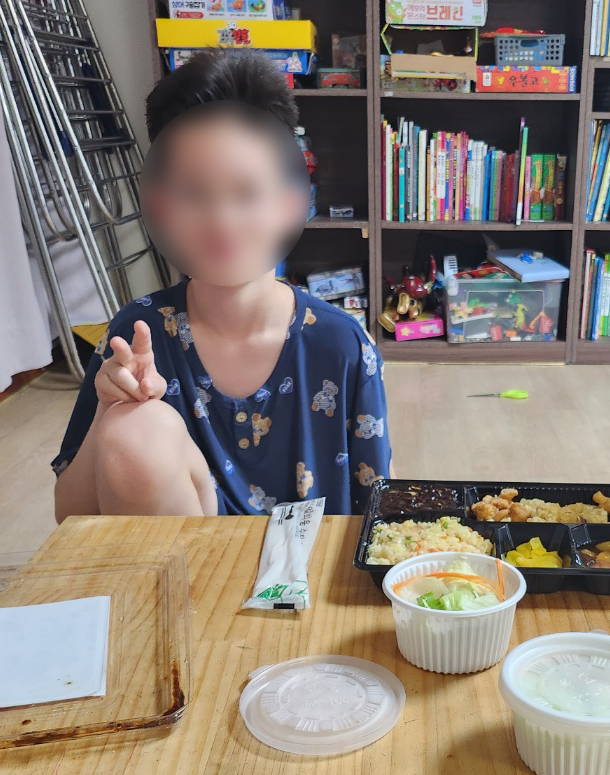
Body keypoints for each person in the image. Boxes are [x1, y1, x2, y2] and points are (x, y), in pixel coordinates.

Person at [52, 51, 389, 519]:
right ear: (162, 206)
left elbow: (378, 508)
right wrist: (110, 412)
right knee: (134, 427)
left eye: (246, 192)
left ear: (288, 204)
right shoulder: (138, 334)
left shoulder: (341, 344)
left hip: (306, 562)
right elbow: (69, 515)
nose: (222, 221)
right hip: (175, 561)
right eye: (194, 193)